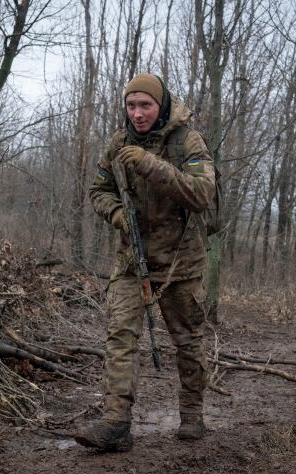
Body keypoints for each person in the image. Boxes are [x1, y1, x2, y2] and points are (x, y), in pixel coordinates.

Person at [74, 73, 216, 452]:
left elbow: (202, 193)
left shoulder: (187, 140)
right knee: (120, 335)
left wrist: (150, 164)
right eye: (131, 105)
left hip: (179, 263)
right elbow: (98, 190)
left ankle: (192, 415)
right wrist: (118, 213)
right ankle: (116, 423)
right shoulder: (118, 142)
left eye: (145, 105)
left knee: (187, 340)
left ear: (160, 105)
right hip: (132, 257)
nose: (137, 113)